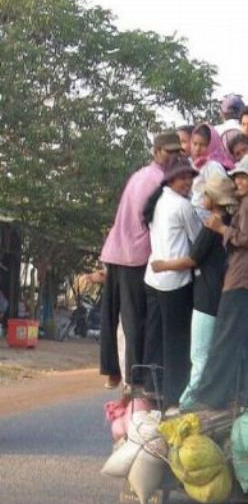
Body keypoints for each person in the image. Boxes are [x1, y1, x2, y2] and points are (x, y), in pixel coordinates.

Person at [190, 155, 248, 409]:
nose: (238, 182)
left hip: (243, 281)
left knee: (225, 342)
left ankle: (209, 399)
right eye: (237, 177)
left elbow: (247, 239)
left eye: (243, 177)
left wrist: (221, 229)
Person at [99, 131, 184, 390]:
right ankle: (135, 378)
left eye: (176, 152)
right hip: (135, 255)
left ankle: (111, 370)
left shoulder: (139, 175)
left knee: (111, 316)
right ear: (156, 152)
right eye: (168, 152)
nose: (173, 157)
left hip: (115, 250)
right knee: (135, 319)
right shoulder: (160, 181)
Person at [150, 172, 238, 410]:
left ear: (214, 198)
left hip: (206, 298)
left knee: (199, 356)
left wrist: (161, 265)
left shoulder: (212, 225)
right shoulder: (230, 223)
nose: (201, 197)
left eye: (205, 194)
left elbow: (192, 259)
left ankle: (186, 405)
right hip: (222, 297)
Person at [143, 162, 202, 407]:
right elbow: (198, 240)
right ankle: (173, 396)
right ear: (170, 181)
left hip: (153, 277)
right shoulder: (182, 205)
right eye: (182, 179)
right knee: (177, 342)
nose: (187, 183)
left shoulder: (157, 202)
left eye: (190, 178)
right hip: (175, 282)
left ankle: (150, 388)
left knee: (155, 336)